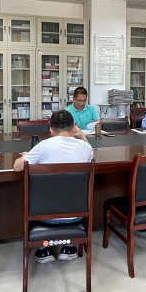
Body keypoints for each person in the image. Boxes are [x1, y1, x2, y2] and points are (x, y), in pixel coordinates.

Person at [14, 110, 93, 263]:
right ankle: (68, 247)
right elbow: (92, 157)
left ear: (51, 130)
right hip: (76, 215)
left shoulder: (43, 146)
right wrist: (82, 136)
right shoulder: (85, 148)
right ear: (74, 128)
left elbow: (17, 167)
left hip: (44, 216)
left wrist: (24, 156)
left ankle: (43, 249)